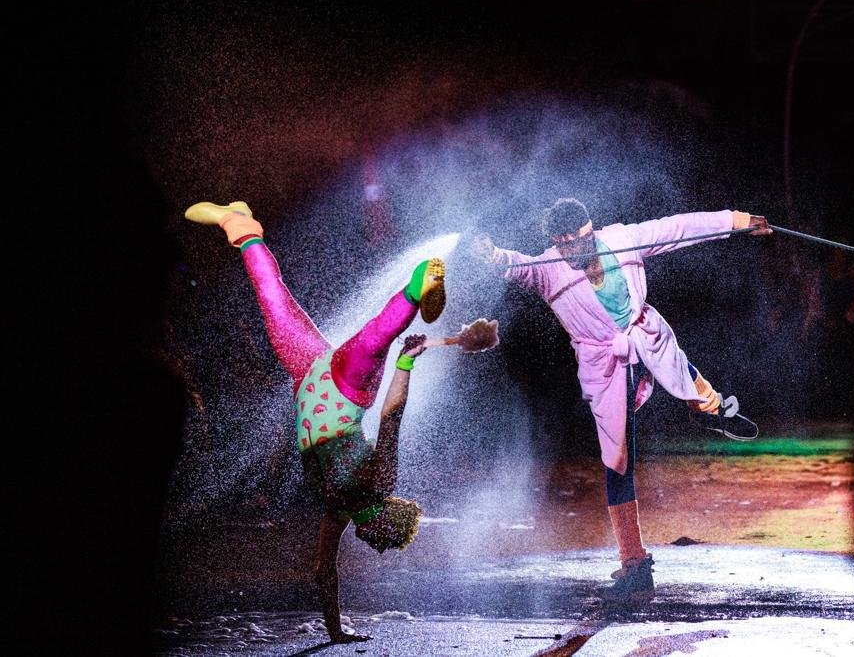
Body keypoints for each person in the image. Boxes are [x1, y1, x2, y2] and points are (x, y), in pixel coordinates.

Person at [473, 198, 770, 603]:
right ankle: (634, 563)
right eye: (563, 245)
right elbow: (515, 265)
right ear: (555, 243)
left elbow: (677, 228)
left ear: (590, 231)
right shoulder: (549, 269)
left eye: (578, 242)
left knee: (674, 363)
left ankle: (711, 409)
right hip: (605, 366)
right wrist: (491, 254)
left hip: (644, 336)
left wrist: (737, 220)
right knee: (617, 460)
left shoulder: (622, 240)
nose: (573, 251)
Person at [185, 200, 445, 643]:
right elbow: (391, 416)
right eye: (383, 540)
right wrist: (405, 364)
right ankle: (418, 285)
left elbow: (324, 570)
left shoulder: (340, 509)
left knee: (273, 299)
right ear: (388, 520)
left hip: (307, 375)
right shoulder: (380, 483)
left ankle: (240, 226)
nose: (375, 546)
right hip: (345, 395)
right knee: (374, 340)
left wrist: (335, 631)